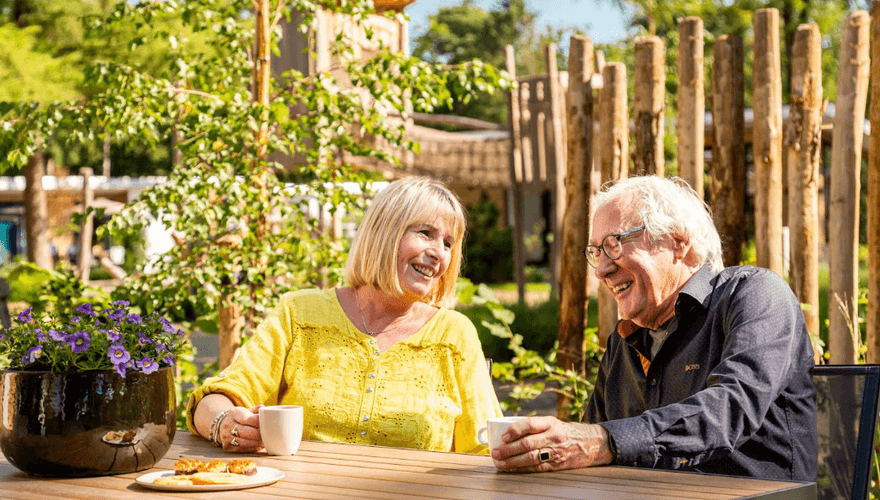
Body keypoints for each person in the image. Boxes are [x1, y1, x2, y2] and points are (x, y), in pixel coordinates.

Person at [492, 175, 817, 481]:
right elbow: (589, 453)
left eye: (614, 244)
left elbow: (727, 410)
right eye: (595, 252)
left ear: (677, 241)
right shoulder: (624, 340)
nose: (601, 270)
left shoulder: (753, 295)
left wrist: (602, 441)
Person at [186, 176, 501, 454]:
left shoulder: (454, 334)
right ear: (383, 233)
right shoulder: (299, 313)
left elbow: (485, 447)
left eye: (448, 242)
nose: (439, 253)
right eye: (425, 233)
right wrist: (224, 423)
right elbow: (214, 399)